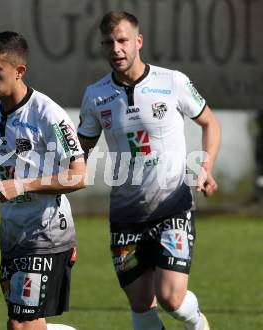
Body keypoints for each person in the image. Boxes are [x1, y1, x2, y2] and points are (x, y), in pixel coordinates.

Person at [77, 11, 221, 330]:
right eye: (108, 42)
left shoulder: (172, 82)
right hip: (126, 215)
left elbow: (210, 122)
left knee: (170, 298)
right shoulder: (95, 95)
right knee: (140, 304)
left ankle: (197, 324)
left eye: (122, 40)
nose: (115, 48)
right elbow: (80, 149)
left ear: (138, 41)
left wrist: (206, 167)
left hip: (173, 207)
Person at [0, 32, 86, 330]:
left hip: (48, 233)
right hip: (12, 235)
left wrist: (22, 185)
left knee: (21, 323)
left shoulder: (48, 114)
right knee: (24, 325)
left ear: (19, 72)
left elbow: (80, 175)